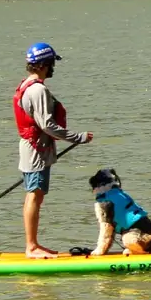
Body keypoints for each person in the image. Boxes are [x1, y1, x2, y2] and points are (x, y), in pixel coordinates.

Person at [13, 42, 92, 258]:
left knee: (36, 195)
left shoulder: (28, 85)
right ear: (44, 65)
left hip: (35, 149)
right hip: (35, 151)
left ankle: (34, 244)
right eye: (51, 64)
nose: (53, 68)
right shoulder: (37, 89)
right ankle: (31, 247)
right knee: (34, 196)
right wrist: (79, 138)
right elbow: (47, 125)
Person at [88, 169, 151, 256]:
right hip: (150, 235)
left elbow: (106, 228)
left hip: (139, 237)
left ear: (97, 184)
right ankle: (142, 247)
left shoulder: (105, 201)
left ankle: (138, 251)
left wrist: (100, 250)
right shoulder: (120, 194)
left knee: (111, 229)